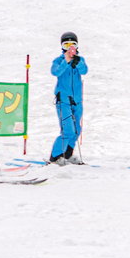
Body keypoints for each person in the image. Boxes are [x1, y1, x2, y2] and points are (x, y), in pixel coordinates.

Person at [50, 31, 88, 165]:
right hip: (64, 101)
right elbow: (55, 72)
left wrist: (77, 62)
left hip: (76, 101)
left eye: (73, 44)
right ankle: (55, 157)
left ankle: (67, 154)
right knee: (68, 130)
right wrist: (66, 61)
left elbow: (84, 71)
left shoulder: (79, 60)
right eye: (66, 44)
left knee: (76, 130)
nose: (70, 47)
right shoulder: (59, 60)